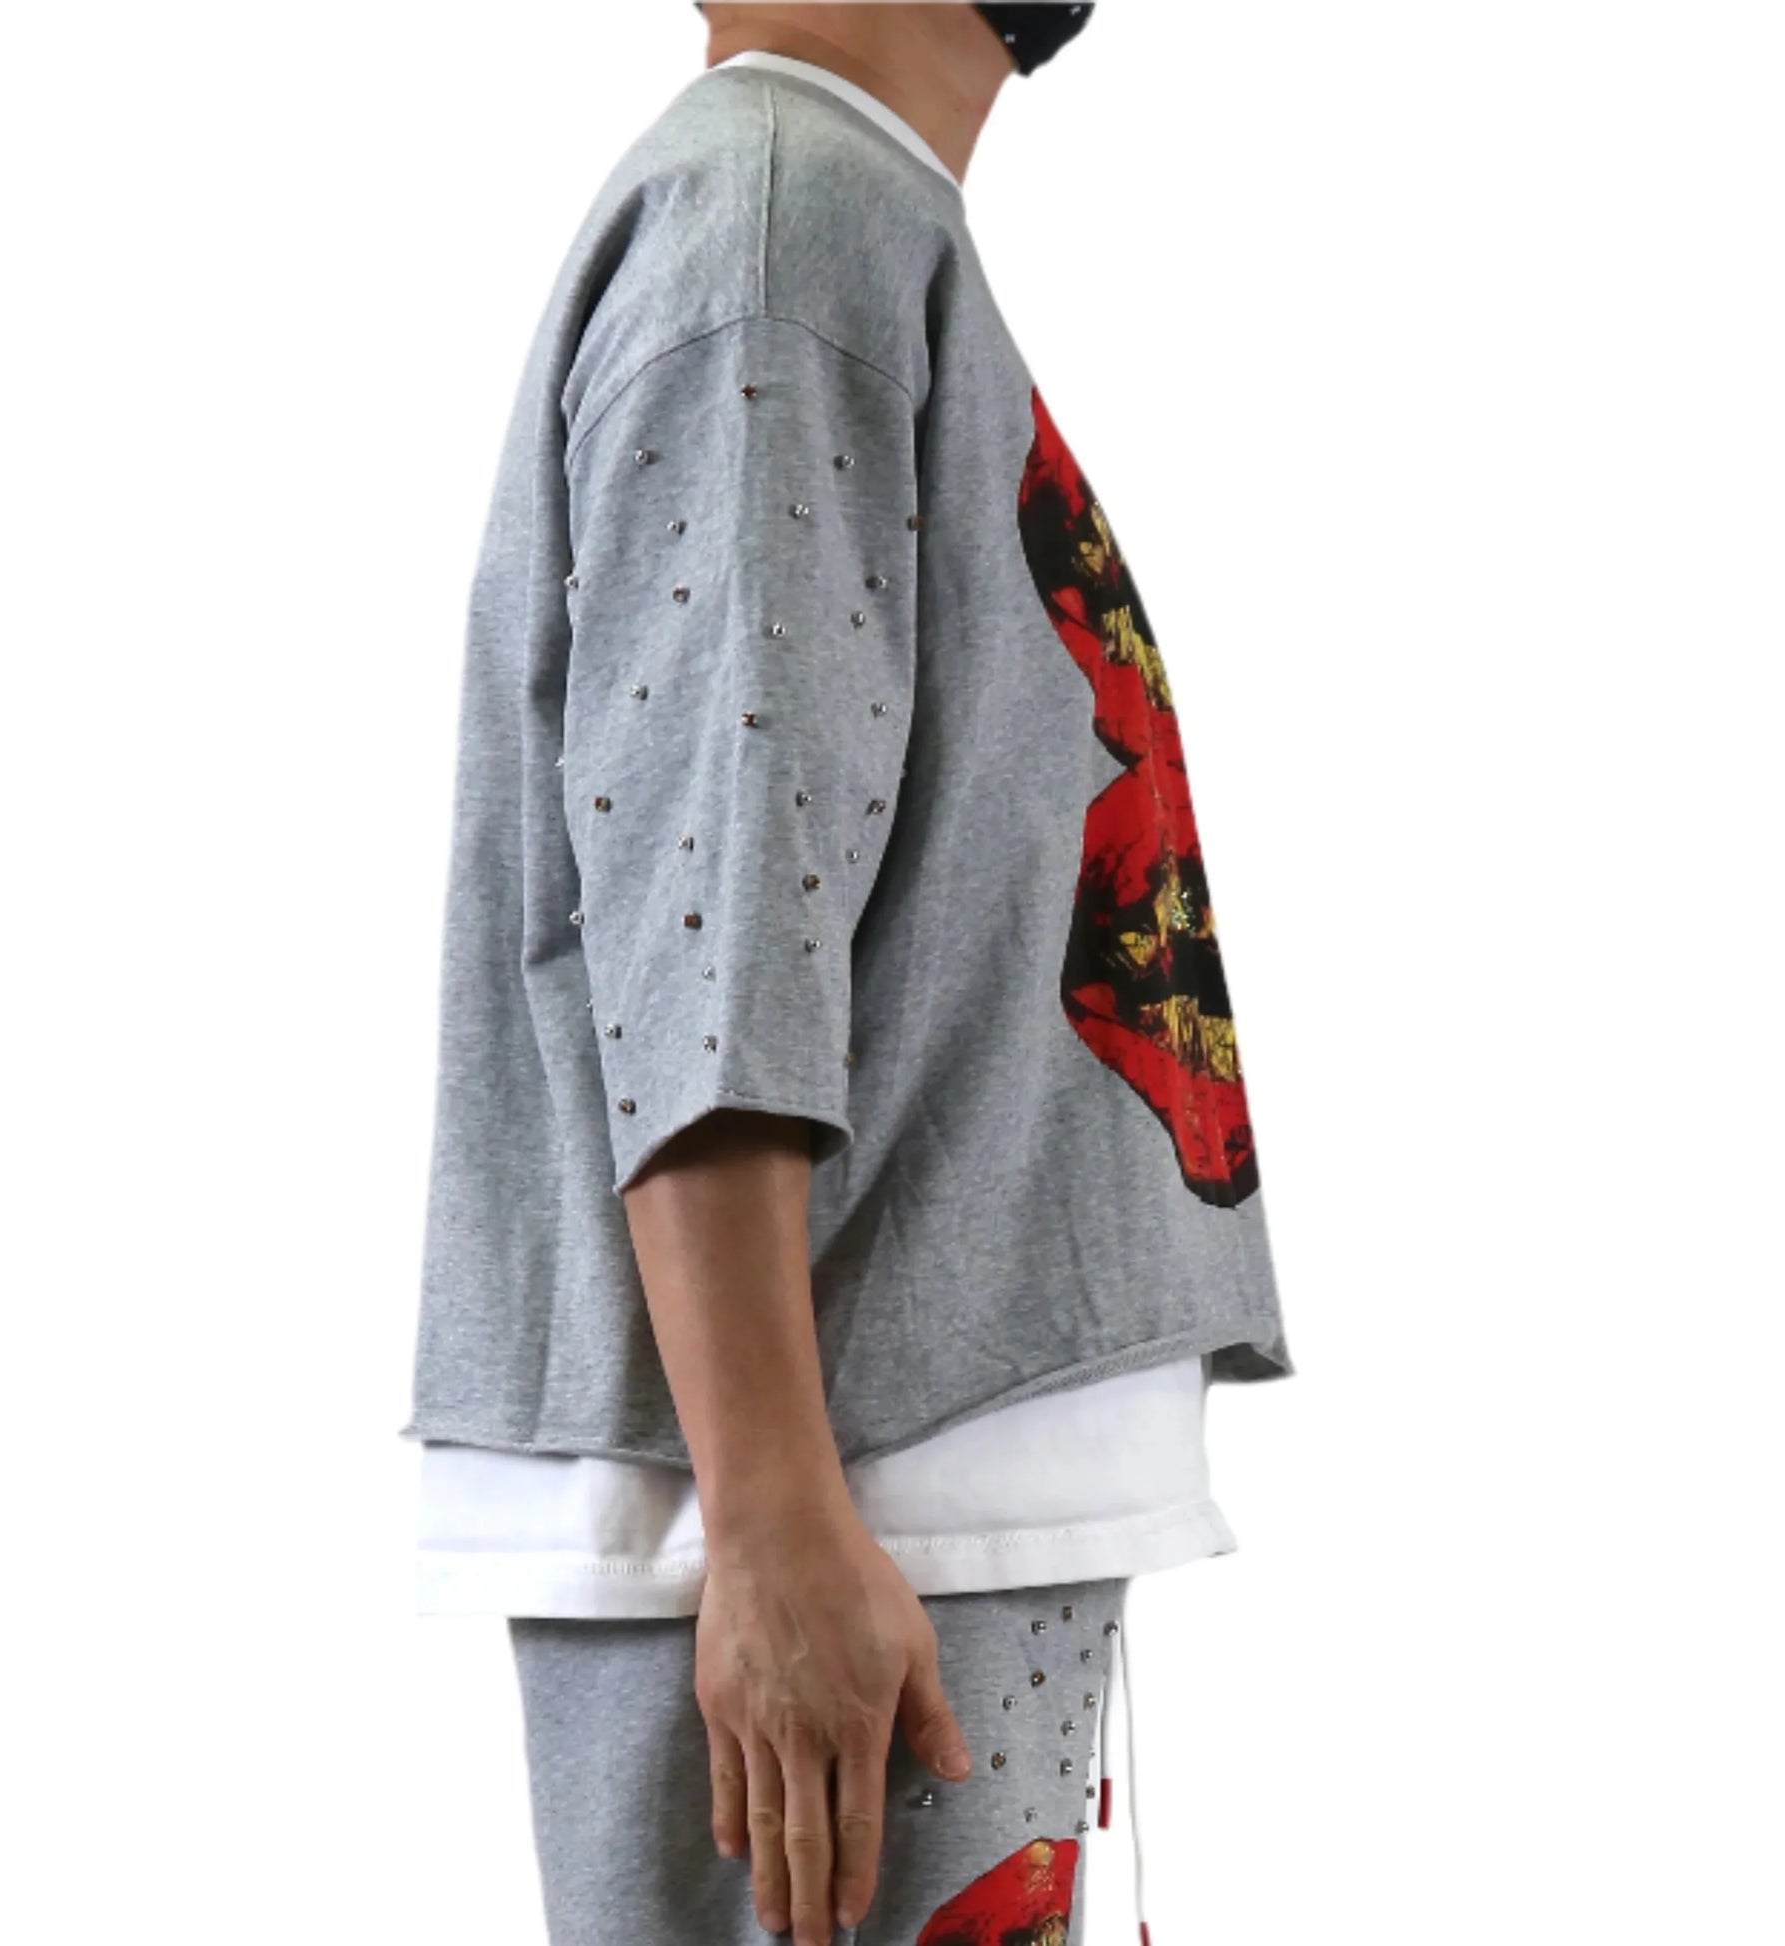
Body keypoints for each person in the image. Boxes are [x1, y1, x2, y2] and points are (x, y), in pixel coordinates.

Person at [401, 5, 1295, 1942]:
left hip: (880, 1482)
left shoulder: (830, 216)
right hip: (839, 1502)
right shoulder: (779, 219)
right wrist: (775, 1520)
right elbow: (710, 912)